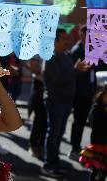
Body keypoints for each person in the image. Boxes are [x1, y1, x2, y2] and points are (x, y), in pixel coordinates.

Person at [41, 28, 89, 178]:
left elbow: (71, 75)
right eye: (63, 39)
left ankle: (55, 161)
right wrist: (75, 70)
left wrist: (80, 69)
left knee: (60, 133)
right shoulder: (50, 57)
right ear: (54, 42)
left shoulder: (66, 55)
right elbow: (57, 80)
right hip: (55, 100)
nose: (67, 42)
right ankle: (48, 165)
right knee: (53, 133)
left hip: (66, 101)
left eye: (66, 39)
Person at [69, 25, 96, 160]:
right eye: (88, 35)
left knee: (90, 122)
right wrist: (80, 69)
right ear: (82, 35)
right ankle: (74, 148)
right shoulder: (77, 50)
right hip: (80, 93)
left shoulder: (91, 48)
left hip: (90, 92)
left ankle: (87, 148)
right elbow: (72, 74)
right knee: (79, 122)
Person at [79, 83, 107, 181]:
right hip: (99, 144)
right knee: (97, 170)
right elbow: (97, 128)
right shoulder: (96, 109)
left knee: (103, 172)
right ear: (103, 94)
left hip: (105, 144)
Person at [28, 56, 47, 158]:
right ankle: (33, 145)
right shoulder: (38, 50)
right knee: (39, 119)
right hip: (40, 86)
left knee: (46, 121)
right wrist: (50, 71)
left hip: (51, 87)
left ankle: (41, 145)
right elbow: (33, 68)